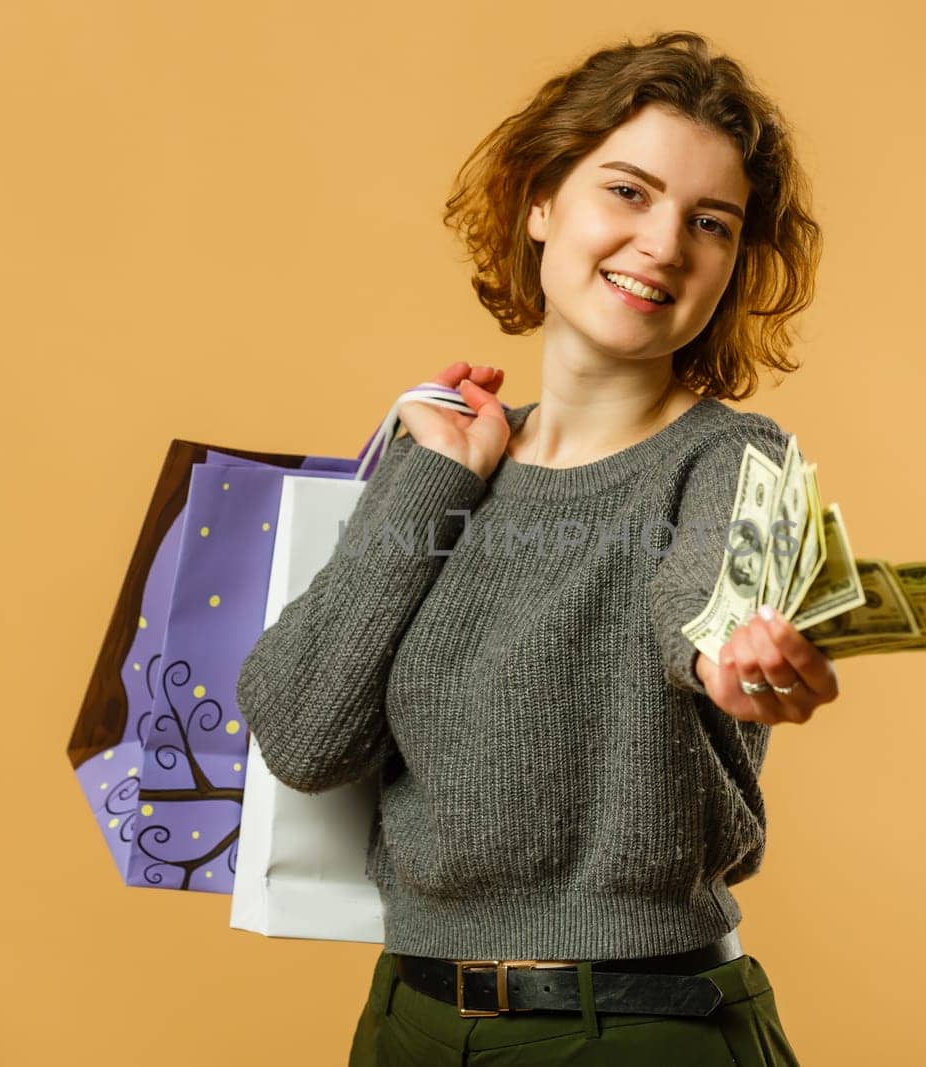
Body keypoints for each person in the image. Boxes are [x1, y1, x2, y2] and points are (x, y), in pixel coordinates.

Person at [235, 30, 837, 1065]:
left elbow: (706, 604)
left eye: (711, 223)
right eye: (629, 192)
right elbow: (301, 731)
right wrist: (436, 478)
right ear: (541, 202)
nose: (663, 243)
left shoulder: (743, 460)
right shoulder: (438, 468)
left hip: (642, 1029)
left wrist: (734, 654)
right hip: (408, 1022)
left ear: (731, 266)